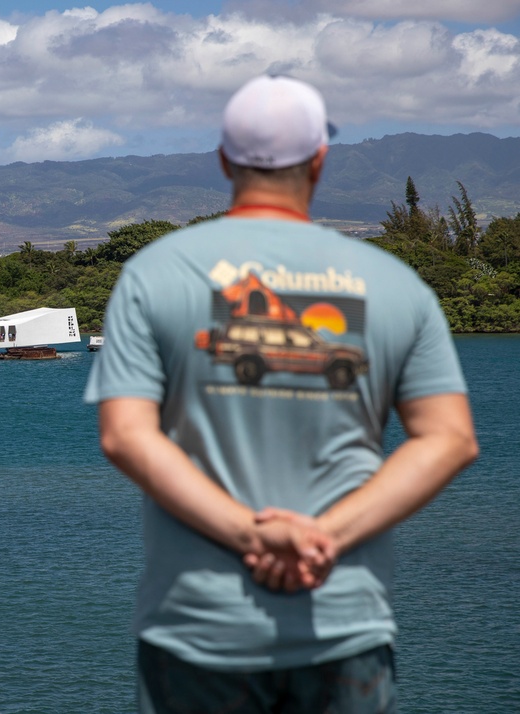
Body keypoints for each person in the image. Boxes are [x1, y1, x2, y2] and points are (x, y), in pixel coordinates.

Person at [85, 75, 478, 713]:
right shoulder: (394, 283)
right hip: (343, 623)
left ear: (223, 160)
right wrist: (325, 537)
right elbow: (451, 438)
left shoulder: (154, 272)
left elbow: (125, 435)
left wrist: (249, 534)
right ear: (320, 160)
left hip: (196, 630)